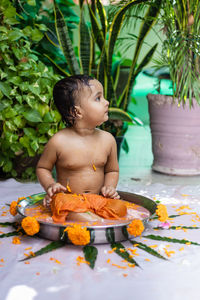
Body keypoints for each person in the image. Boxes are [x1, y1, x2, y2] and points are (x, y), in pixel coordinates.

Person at [36, 74, 120, 207]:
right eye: (98, 98)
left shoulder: (108, 140)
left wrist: (110, 187)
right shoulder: (59, 142)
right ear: (77, 112)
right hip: (68, 203)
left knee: (121, 210)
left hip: (98, 201)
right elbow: (43, 168)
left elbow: (112, 170)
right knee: (69, 212)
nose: (107, 102)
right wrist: (51, 185)